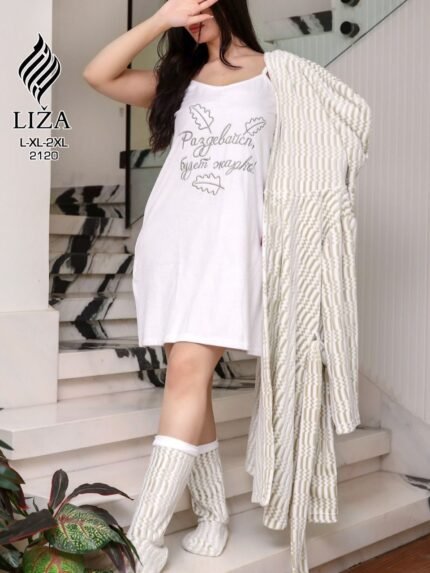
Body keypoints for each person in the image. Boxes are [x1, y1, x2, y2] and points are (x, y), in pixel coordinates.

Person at [83, 1, 276, 571]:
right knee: (188, 376)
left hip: (232, 247)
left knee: (189, 371)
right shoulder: (178, 78)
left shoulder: (282, 76)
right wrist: (159, 21)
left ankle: (144, 536)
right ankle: (213, 512)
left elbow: (312, 161)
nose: (191, 11)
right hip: (171, 242)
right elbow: (98, 74)